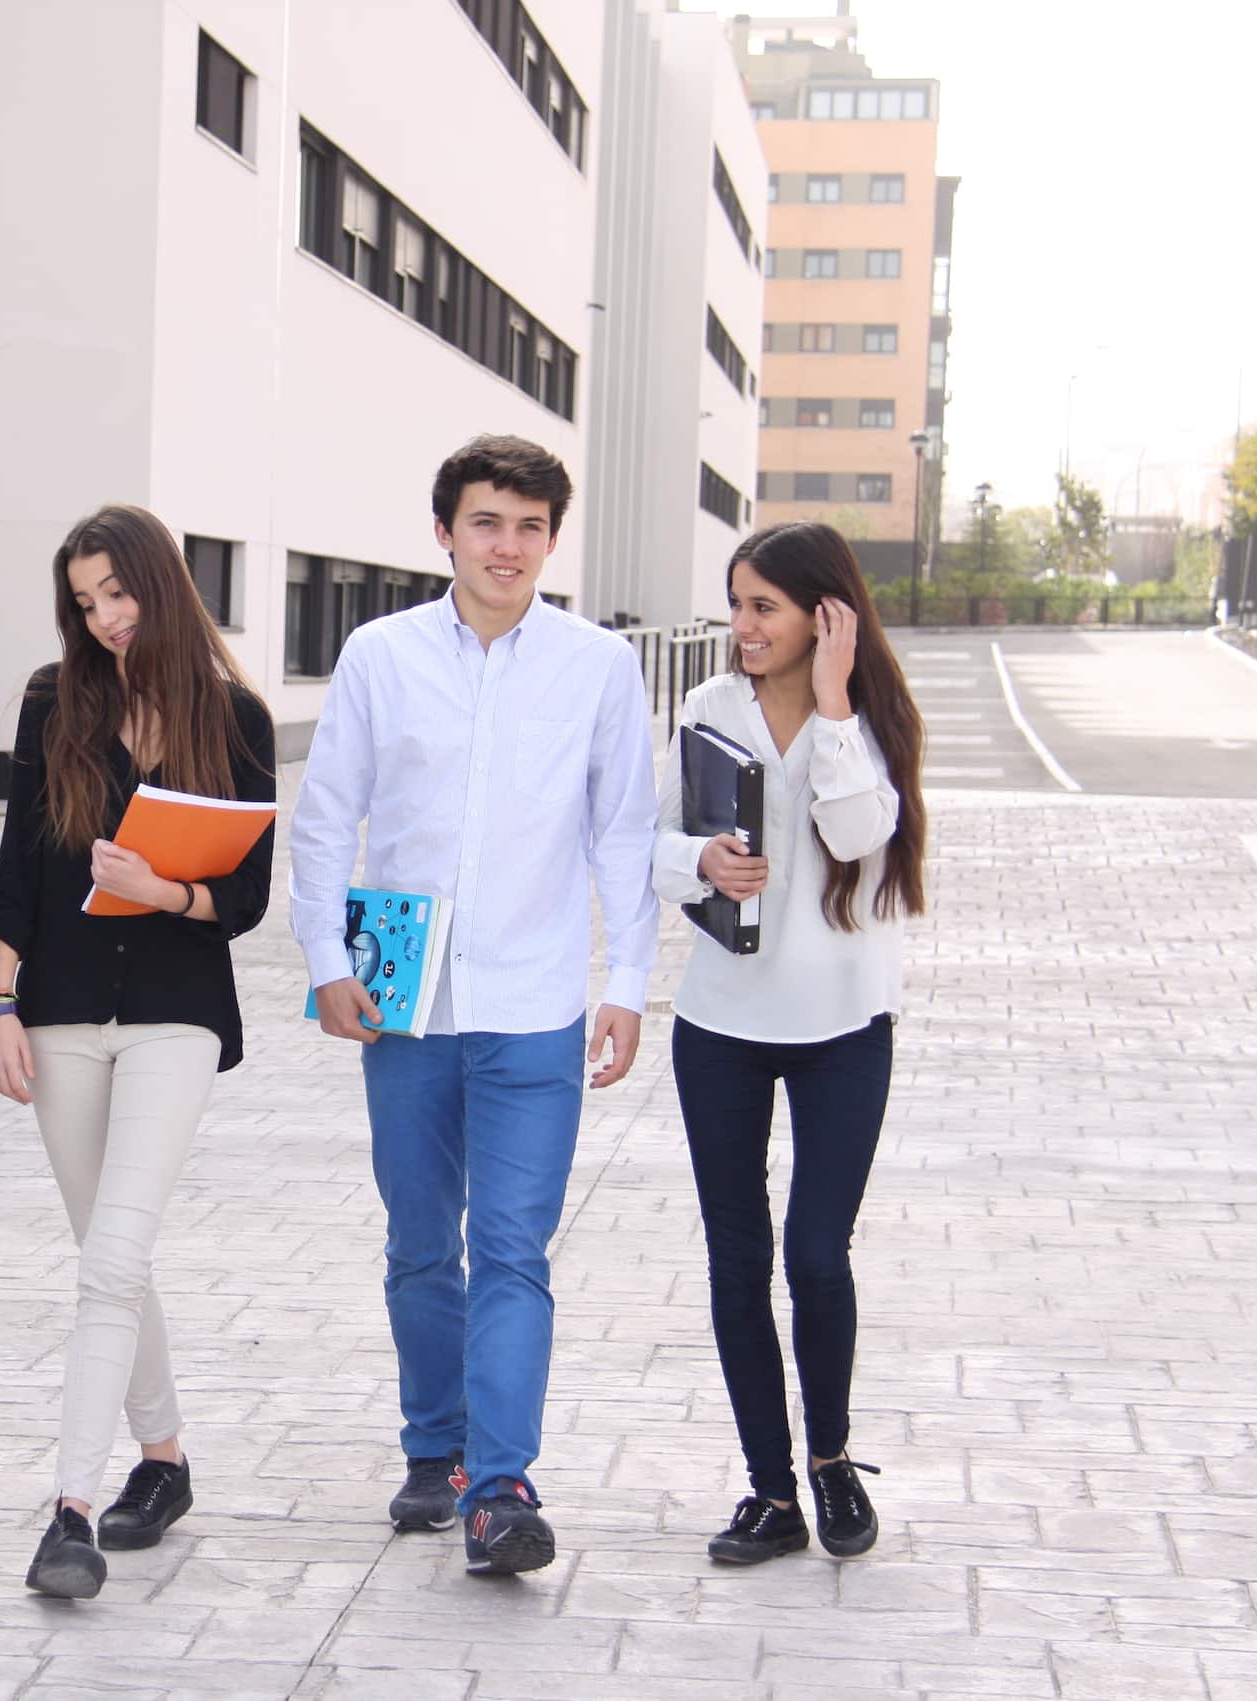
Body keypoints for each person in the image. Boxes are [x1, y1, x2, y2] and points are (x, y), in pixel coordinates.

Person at [289, 434, 659, 1577]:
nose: (509, 546)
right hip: (401, 997)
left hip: (535, 1000)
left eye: (531, 527)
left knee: (510, 1246)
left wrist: (627, 986)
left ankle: (499, 1487)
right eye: (488, 522)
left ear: (553, 539)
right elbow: (323, 816)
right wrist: (322, 960)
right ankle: (432, 1446)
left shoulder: (595, 666)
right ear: (444, 529)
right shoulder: (378, 653)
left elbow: (624, 832)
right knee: (416, 1241)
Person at [0, 504, 275, 1600]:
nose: (102, 618)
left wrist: (169, 892)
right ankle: (163, 1460)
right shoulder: (54, 702)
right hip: (55, 1016)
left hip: (174, 1014)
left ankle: (70, 1510)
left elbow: (244, 898)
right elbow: (17, 867)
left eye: (117, 592)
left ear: (158, 582)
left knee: (110, 1257)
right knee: (111, 1252)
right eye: (83, 600)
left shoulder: (234, 716)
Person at [651, 522, 925, 1566]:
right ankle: (769, 1492)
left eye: (762, 605)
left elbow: (861, 837)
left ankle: (831, 1462)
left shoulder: (870, 717)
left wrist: (839, 705)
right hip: (719, 1025)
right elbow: (649, 846)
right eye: (736, 603)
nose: (741, 626)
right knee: (737, 1259)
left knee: (816, 1255)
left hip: (843, 1026)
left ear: (825, 614)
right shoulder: (705, 709)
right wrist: (699, 860)